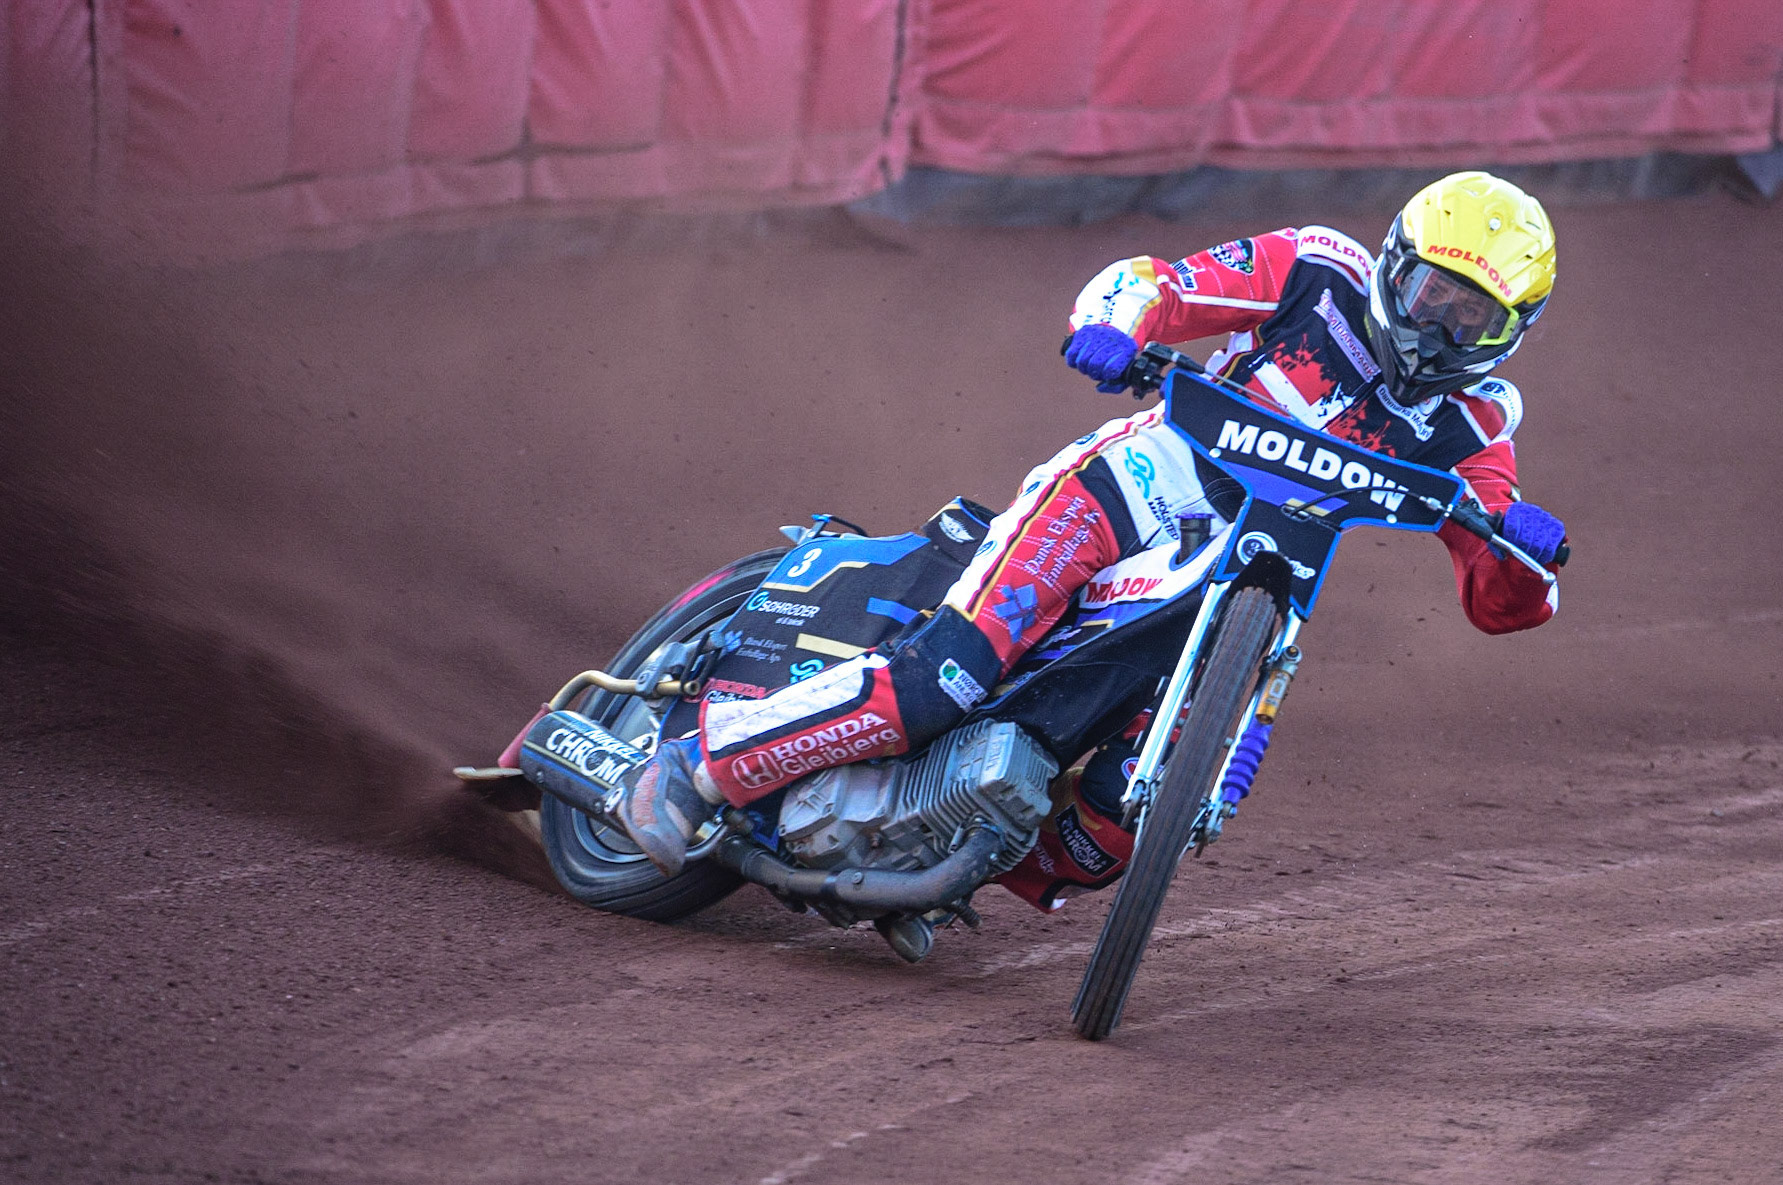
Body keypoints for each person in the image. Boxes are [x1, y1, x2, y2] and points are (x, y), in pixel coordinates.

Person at [616, 170, 1569, 901]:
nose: (1438, 324)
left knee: (1116, 828)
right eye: (1431, 291)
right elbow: (1155, 283)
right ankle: (699, 766)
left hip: (1257, 580)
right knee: (940, 676)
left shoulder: (1478, 424)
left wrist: (1520, 551)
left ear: (1511, 328)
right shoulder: (1319, 270)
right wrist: (1114, 326)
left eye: (1471, 314)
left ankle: (941, 865)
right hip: (1136, 485)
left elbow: (1499, 596)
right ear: (1395, 260)